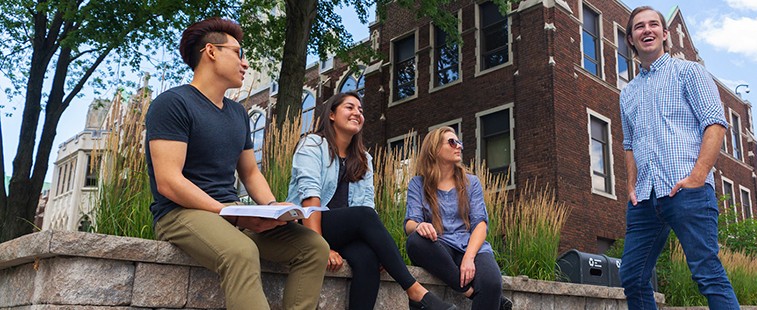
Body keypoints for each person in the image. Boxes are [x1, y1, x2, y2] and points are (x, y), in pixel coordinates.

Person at [144, 18, 329, 310]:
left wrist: (272, 210)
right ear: (211, 52)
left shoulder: (238, 114)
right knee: (241, 251)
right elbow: (168, 181)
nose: (245, 63)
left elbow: (251, 172)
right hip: (180, 214)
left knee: (313, 247)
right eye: (238, 53)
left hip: (231, 215)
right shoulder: (173, 103)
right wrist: (229, 213)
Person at [286, 92, 456, 310]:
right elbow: (309, 198)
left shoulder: (364, 159)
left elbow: (367, 205)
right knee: (364, 216)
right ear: (331, 114)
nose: (357, 112)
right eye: (350, 107)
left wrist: (381, 249)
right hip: (307, 225)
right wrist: (320, 246)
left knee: (368, 259)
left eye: (361, 110)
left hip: (344, 232)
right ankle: (415, 292)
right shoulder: (312, 144)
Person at [618, 6, 739, 310]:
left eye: (653, 25)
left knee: (707, 274)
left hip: (687, 192)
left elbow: (715, 124)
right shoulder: (627, 92)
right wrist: (631, 185)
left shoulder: (689, 72)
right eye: (639, 27)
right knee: (632, 277)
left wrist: (698, 177)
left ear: (665, 34)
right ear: (631, 39)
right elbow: (629, 143)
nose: (647, 30)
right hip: (645, 199)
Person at [404, 127, 513, 310]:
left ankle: (476, 288)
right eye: (452, 142)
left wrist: (469, 258)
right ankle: (470, 291)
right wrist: (419, 226)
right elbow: (409, 223)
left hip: (470, 246)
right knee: (415, 242)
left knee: (492, 283)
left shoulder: (471, 182)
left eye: (459, 142)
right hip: (440, 246)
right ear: (435, 149)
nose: (459, 146)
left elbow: (480, 224)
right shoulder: (418, 184)